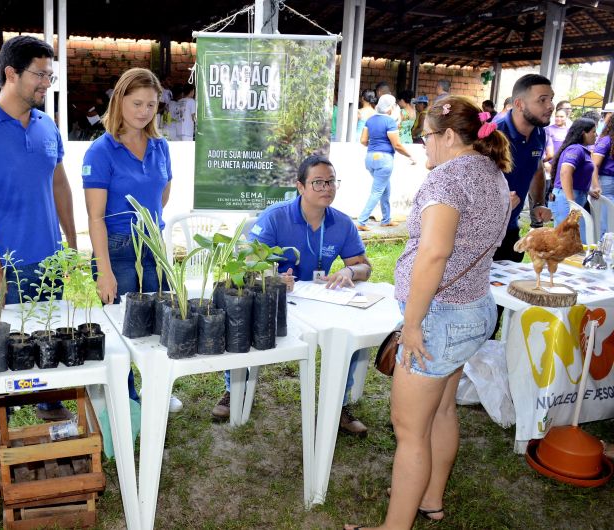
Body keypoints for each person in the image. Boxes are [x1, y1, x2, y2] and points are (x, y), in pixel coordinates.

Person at [344, 95, 511, 530]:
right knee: (442, 411)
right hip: (474, 309)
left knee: (409, 430)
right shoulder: (491, 170)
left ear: (450, 136)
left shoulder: (447, 180)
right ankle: (430, 498)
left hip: (439, 317)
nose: (423, 146)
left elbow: (434, 255)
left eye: (427, 137)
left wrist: (413, 324)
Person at [0, 36, 77, 422]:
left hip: (49, 263)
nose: (46, 84)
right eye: (40, 75)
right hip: (2, 266)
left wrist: (71, 247)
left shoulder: (46, 126)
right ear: (10, 73)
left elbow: (60, 185)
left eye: (50, 77)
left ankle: (49, 405)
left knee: (48, 344)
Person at [212, 155, 373, 436]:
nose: (327, 188)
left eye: (331, 182)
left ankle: (339, 405)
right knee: (242, 315)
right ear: (300, 186)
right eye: (318, 182)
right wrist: (271, 277)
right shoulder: (276, 216)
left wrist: (350, 272)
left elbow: (364, 266)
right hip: (272, 297)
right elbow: (247, 264)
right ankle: (232, 391)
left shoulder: (342, 223)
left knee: (349, 331)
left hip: (316, 297)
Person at [82, 67, 183, 413]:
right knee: (123, 329)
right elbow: (95, 217)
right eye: (136, 103)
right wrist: (104, 271)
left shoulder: (160, 147)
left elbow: (161, 197)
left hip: (153, 248)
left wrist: (149, 231)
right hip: (118, 250)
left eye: (150, 105)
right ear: (119, 100)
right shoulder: (101, 150)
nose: (143, 111)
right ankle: (126, 398)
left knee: (159, 323)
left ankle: (155, 388)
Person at [490, 74, 554, 338]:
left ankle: (488, 362)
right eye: (542, 100)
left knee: (501, 300)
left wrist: (538, 202)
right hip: (481, 232)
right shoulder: (494, 133)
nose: (550, 105)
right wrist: (496, 199)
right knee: (479, 301)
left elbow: (537, 168)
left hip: (510, 230)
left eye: (551, 99)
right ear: (519, 104)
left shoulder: (540, 133)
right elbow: (469, 178)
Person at [356, 94, 416, 231]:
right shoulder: (390, 122)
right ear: (390, 108)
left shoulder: (370, 120)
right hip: (384, 160)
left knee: (385, 189)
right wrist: (411, 156)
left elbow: (363, 141)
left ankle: (386, 219)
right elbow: (397, 145)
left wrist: (376, 146)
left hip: (370, 158)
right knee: (377, 191)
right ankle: (361, 221)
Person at [548, 118, 598, 243]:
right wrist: (571, 202)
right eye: (593, 131)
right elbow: (565, 173)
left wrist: (588, 190)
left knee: (575, 239)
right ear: (583, 133)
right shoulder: (575, 149)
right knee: (565, 240)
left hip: (576, 195)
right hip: (567, 198)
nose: (596, 135)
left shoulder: (582, 150)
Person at [592, 106, 614, 233]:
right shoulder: (606, 140)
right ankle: (600, 248)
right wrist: (596, 185)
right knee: (604, 219)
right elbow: (594, 165)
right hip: (606, 182)